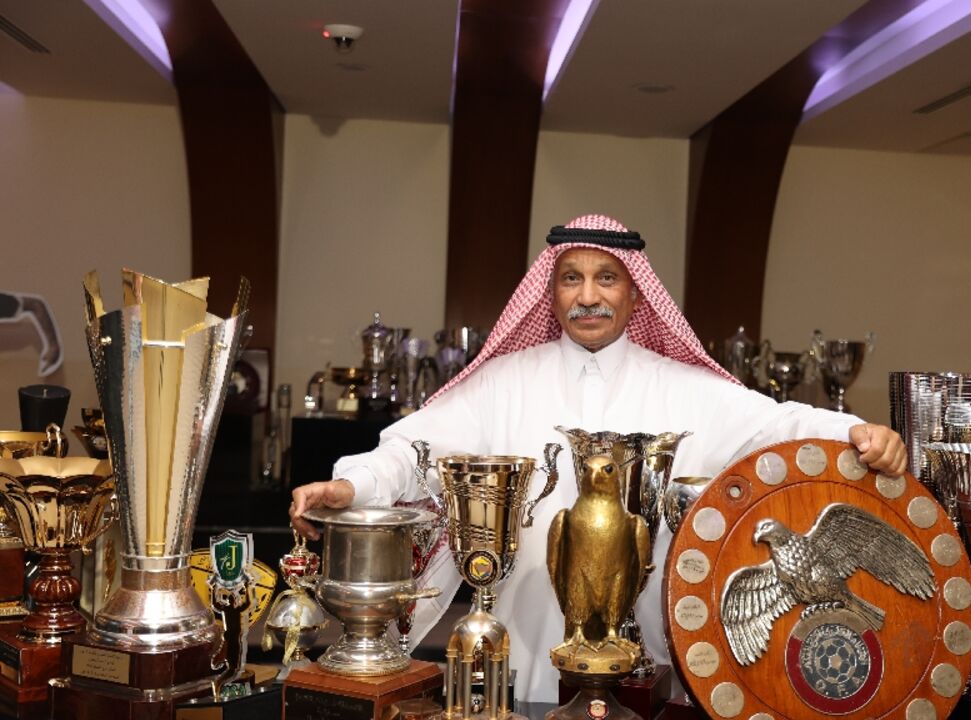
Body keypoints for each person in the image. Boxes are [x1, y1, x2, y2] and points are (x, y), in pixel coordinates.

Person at [289, 214, 906, 703]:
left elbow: (781, 424)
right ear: (550, 292)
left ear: (636, 294)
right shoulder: (504, 381)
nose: (588, 296)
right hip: (524, 641)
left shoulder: (683, 387)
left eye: (606, 278)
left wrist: (862, 434)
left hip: (654, 651)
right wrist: (352, 486)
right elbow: (412, 447)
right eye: (571, 278)